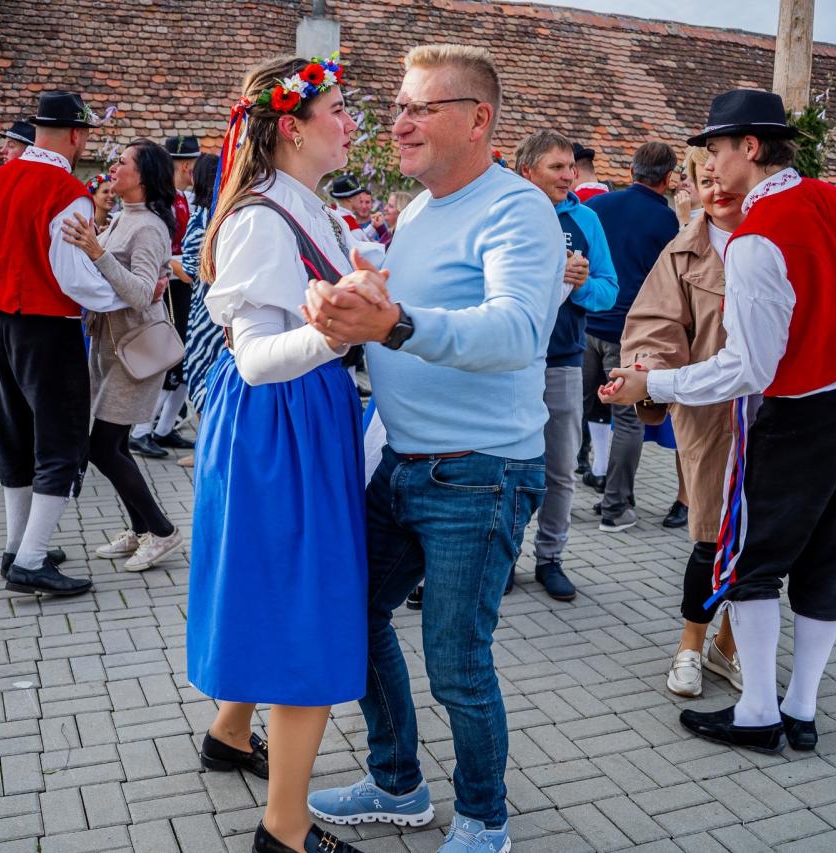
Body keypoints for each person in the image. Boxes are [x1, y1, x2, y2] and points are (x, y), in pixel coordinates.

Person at [304, 44, 566, 853]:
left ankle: (485, 818)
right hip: (403, 461)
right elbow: (406, 305)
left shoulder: (517, 210)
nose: (400, 123)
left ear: (477, 120)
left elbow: (516, 330)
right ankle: (397, 783)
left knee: (456, 662)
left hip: (480, 473)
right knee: (351, 615)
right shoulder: (419, 210)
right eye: (400, 107)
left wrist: (395, 323)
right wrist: (361, 295)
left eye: (422, 107)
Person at [601, 89, 836, 755]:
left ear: (749, 146)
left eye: (715, 149)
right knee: (830, 557)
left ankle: (757, 712)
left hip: (805, 414)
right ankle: (800, 709)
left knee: (749, 560)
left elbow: (749, 368)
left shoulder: (756, 239)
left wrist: (655, 383)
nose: (709, 165)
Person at [187, 53, 378, 853]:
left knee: (275, 589)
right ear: (293, 127)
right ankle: (286, 830)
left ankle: (231, 731)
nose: (351, 122)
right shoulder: (263, 217)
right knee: (308, 613)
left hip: (298, 417)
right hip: (280, 423)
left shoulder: (308, 206)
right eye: (338, 109)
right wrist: (342, 329)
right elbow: (258, 357)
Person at [0, 89, 116, 598]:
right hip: (48, 324)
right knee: (62, 439)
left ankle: (17, 547)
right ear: (75, 134)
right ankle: (30, 560)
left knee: (14, 433)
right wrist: (122, 296)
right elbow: (72, 275)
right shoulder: (67, 189)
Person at [619, 145, 741, 698]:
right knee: (711, 537)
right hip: (710, 413)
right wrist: (646, 371)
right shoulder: (683, 252)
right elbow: (655, 326)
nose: (715, 190)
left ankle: (729, 646)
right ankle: (690, 644)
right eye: (702, 181)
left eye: (723, 178)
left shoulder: (781, 241)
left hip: (779, 416)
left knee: (763, 544)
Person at [62, 140, 185, 571]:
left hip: (135, 349)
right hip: (111, 344)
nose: (113, 167)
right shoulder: (122, 217)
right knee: (112, 445)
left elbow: (139, 292)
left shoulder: (148, 226)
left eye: (123, 162)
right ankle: (141, 529)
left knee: (102, 447)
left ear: (144, 175)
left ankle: (163, 530)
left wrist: (96, 252)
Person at [513, 128, 617, 601]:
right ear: (527, 170)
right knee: (510, 467)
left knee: (558, 468)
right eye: (556, 167)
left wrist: (579, 286)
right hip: (510, 361)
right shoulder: (505, 212)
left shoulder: (585, 219)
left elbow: (608, 290)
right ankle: (504, 557)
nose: (569, 176)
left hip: (562, 360)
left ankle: (550, 558)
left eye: (571, 167)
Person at [585, 141, 681, 532]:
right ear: (668, 178)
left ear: (631, 171)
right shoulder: (667, 220)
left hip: (587, 323)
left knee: (571, 416)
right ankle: (615, 506)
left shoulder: (597, 206)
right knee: (628, 421)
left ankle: (554, 504)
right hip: (630, 333)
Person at [127, 137, 197, 458]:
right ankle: (140, 431)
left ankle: (164, 428)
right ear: (186, 165)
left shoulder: (184, 198)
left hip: (183, 284)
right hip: (168, 285)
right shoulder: (161, 201)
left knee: (183, 358)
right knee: (167, 358)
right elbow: (161, 250)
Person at [181, 153, 224, 416]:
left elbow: (189, 271)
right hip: (223, 308)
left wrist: (167, 261)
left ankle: (206, 439)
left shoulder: (201, 217)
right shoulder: (227, 214)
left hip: (205, 310)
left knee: (202, 373)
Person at [327, 174, 372, 239]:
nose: (361, 197)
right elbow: (359, 237)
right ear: (350, 198)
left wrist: (372, 227)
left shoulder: (332, 215)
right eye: (358, 194)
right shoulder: (353, 228)